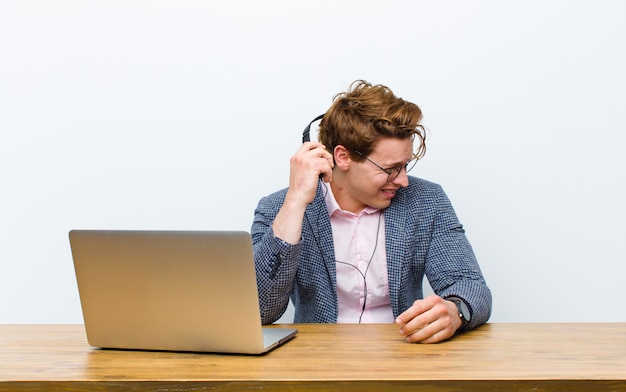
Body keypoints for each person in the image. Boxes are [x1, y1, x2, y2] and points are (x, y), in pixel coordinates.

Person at [251, 80, 491, 344]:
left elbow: (471, 287)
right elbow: (261, 310)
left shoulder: (426, 201)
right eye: (390, 169)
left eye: (405, 166)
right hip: (317, 362)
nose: (403, 181)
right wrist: (295, 202)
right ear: (343, 157)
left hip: (404, 357)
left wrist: (456, 311)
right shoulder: (278, 209)